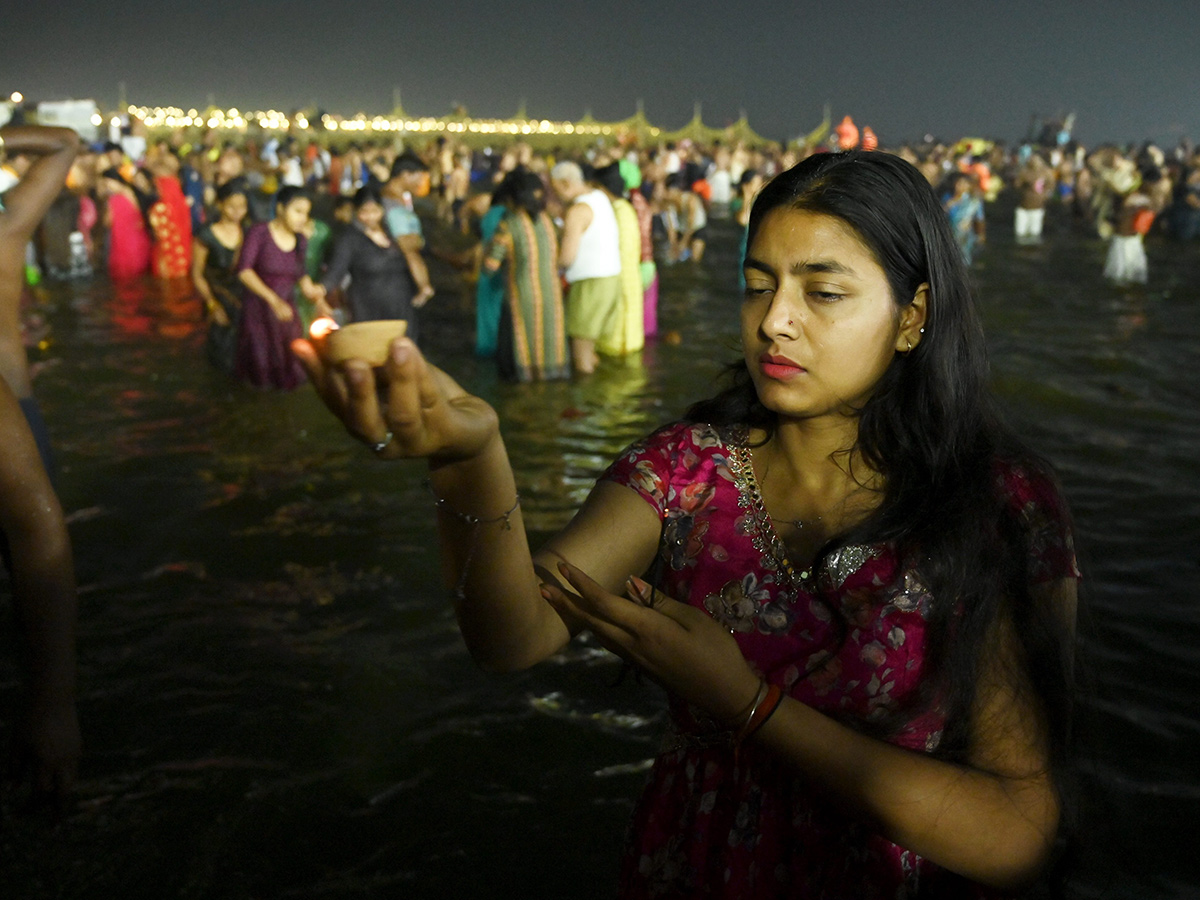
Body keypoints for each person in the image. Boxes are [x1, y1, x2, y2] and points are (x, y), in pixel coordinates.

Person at [292, 150, 1080, 898]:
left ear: (913, 317)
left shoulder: (995, 505)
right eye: (758, 284)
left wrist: (746, 703)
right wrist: (471, 456)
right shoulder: (687, 472)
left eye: (823, 292)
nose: (776, 321)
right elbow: (511, 636)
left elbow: (1015, 831)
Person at [0, 124, 81, 808]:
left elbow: (40, 535)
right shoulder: (7, 224)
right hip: (18, 402)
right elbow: (63, 144)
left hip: (10, 414)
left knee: (33, 550)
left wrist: (55, 705)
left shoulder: (3, 227)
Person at [235, 185, 328, 390]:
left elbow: (301, 274)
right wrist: (273, 301)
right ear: (280, 209)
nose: (303, 218)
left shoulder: (300, 240)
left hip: (286, 313)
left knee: (291, 369)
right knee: (261, 371)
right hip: (258, 313)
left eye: (306, 213)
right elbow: (244, 271)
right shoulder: (259, 232)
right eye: (297, 211)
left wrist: (319, 300)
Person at [481, 169, 569, 382]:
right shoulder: (549, 221)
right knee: (552, 352)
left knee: (519, 359)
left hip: (522, 299)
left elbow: (490, 265)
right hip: (552, 297)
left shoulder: (509, 224)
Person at [321, 185, 424, 341]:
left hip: (400, 306)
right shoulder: (349, 239)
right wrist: (321, 290)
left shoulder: (393, 234)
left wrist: (422, 287)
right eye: (364, 212)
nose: (370, 217)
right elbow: (336, 272)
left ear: (382, 211)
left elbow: (413, 257)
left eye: (375, 211)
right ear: (356, 212)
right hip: (367, 309)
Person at [551, 160, 622, 374]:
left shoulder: (578, 210)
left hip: (589, 284)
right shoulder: (599, 197)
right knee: (590, 349)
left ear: (565, 183)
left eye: (556, 190)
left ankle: (587, 402)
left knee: (581, 357)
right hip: (611, 280)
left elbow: (567, 257)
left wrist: (549, 269)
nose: (556, 196)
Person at [192, 179, 248, 374]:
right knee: (220, 356)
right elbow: (197, 275)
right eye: (232, 206)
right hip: (218, 299)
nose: (237, 212)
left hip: (245, 301)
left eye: (242, 206)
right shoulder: (207, 235)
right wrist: (211, 304)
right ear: (220, 205)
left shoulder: (249, 233)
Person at [944, 172, 986, 265]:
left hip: (965, 235)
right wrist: (948, 205)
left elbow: (979, 219)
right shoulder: (947, 197)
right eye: (959, 183)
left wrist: (981, 235)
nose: (960, 186)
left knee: (964, 258)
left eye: (964, 183)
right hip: (949, 233)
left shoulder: (973, 201)